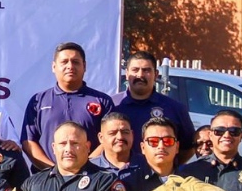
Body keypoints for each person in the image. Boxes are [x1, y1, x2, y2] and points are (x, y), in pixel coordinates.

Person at [20, 42, 114, 170]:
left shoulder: (103, 101)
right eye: (64, 62)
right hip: (47, 178)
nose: (70, 66)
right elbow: (28, 142)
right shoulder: (38, 101)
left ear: (84, 66)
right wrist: (54, 171)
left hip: (91, 178)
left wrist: (87, 167)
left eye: (75, 62)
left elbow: (109, 139)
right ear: (54, 67)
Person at [111, 51, 196, 163]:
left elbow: (189, 147)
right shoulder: (112, 105)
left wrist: (169, 168)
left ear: (156, 74)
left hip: (159, 178)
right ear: (127, 74)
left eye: (146, 70)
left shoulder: (175, 108)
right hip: (120, 176)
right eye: (135, 70)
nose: (140, 75)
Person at [91, 112, 142, 179]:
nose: (120, 137)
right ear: (101, 138)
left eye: (125, 132)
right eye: (112, 133)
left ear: (132, 135)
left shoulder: (147, 165)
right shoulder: (90, 169)